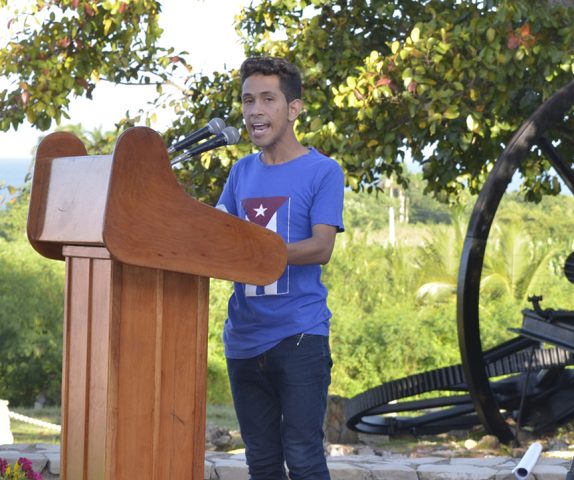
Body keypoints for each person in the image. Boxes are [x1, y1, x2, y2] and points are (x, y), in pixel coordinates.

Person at [216, 56, 345, 480]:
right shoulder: (239, 173)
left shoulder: (323, 171)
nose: (255, 110)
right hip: (244, 340)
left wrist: (258, 253)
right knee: (262, 463)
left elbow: (321, 247)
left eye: (268, 99)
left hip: (300, 337)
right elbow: (216, 237)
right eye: (248, 100)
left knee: (304, 459)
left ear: (293, 108)